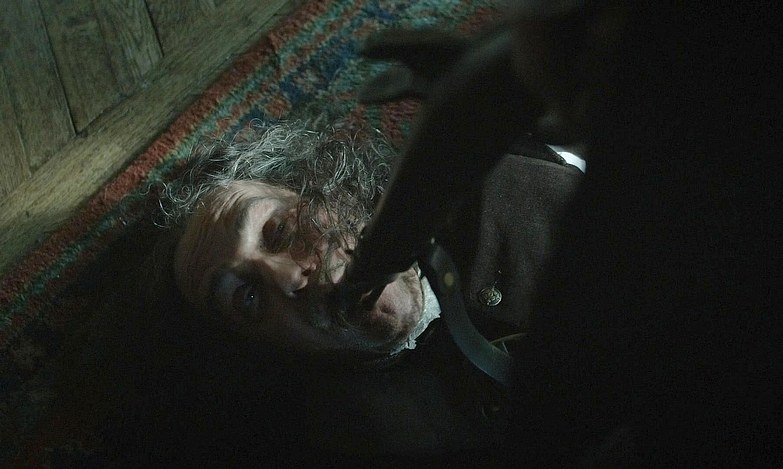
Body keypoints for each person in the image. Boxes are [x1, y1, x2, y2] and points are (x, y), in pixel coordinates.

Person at [156, 115, 584, 458]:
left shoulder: (504, 187)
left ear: (332, 193)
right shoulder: (345, 440)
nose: (285, 277)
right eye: (247, 297)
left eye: (278, 230)